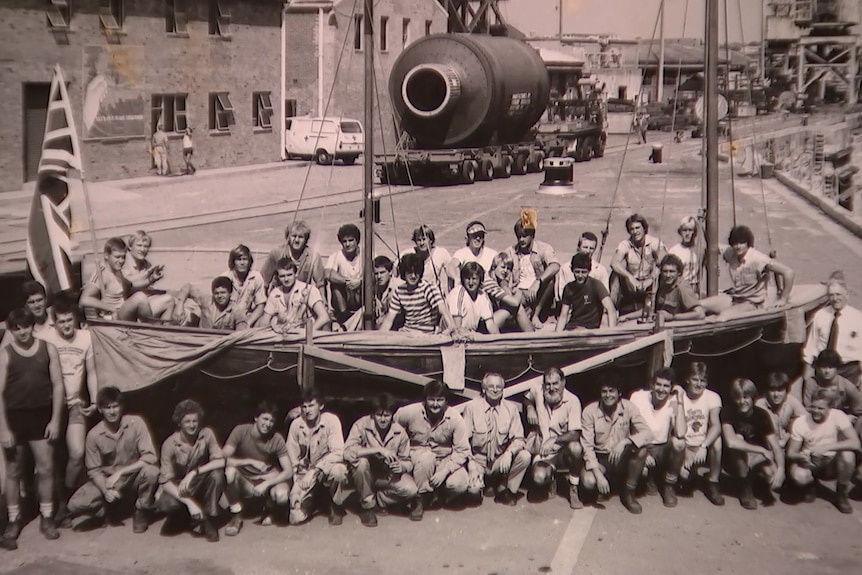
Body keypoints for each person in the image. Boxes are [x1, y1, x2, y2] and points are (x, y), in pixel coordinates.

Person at [0, 308, 64, 544]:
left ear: (32, 326)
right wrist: (4, 428)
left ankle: (47, 516)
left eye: (25, 327)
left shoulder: (48, 349)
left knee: (46, 467)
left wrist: (55, 419)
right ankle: (14, 519)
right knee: (13, 471)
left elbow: (58, 386)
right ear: (11, 331)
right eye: (16, 329)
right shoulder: (5, 353)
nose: (22, 332)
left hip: (41, 415)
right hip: (14, 416)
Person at [66, 386, 159, 534]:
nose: (112, 411)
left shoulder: (136, 423)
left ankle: (141, 510)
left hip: (134, 476)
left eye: (115, 406)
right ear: (100, 410)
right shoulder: (94, 435)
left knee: (152, 472)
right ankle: (106, 510)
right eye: (107, 407)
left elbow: (150, 457)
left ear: (121, 406)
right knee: (75, 504)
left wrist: (121, 472)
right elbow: (94, 470)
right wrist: (105, 489)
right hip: (110, 481)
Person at [38, 300, 99, 524]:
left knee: (76, 453)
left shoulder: (85, 337)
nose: (66, 325)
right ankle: (57, 506)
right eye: (61, 321)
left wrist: (94, 399)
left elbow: (91, 372)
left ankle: (66, 495)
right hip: (50, 406)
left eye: (69, 320)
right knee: (50, 458)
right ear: (54, 323)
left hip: (75, 404)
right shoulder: (46, 337)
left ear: (75, 319)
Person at [394, 381, 470, 519]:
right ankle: (420, 499)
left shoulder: (455, 419)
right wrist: (400, 454)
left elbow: (462, 451)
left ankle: (439, 495)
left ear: (446, 401)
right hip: (418, 457)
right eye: (431, 400)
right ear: (425, 400)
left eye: (440, 400)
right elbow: (392, 430)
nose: (435, 404)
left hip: (445, 459)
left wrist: (445, 471)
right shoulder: (409, 412)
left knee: (459, 484)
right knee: (426, 458)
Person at [580, 376, 653, 514]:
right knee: (589, 481)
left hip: (621, 457)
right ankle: (606, 485)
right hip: (600, 458)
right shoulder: (590, 411)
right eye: (604, 391)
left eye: (611, 391)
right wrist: (598, 475)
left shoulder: (629, 407)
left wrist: (626, 441)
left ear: (619, 393)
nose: (608, 395)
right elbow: (587, 446)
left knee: (642, 451)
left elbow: (648, 433)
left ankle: (629, 493)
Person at [343, 393, 419, 526]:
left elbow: (407, 461)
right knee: (361, 463)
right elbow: (347, 452)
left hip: (386, 476)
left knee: (411, 489)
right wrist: (377, 450)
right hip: (365, 474)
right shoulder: (361, 425)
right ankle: (367, 507)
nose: (383, 419)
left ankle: (377, 499)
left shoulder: (399, 432)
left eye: (387, 415)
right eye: (379, 415)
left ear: (392, 416)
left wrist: (401, 466)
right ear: (373, 415)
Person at [156, 400, 224, 542]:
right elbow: (165, 482)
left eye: (195, 421)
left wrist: (194, 472)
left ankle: (208, 518)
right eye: (187, 421)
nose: (192, 425)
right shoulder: (169, 444)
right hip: (179, 487)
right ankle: (186, 516)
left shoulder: (206, 434)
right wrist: (189, 503)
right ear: (179, 423)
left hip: (198, 481)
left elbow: (220, 461)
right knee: (166, 504)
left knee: (217, 474)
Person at [222, 401, 293, 535]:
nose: (268, 424)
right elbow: (222, 458)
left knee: (282, 496)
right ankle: (236, 515)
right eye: (265, 419)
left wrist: (267, 483)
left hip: (268, 478)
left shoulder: (276, 438)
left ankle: (269, 508)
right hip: (246, 480)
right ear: (256, 418)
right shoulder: (241, 431)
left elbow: (288, 470)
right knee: (229, 472)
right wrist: (249, 461)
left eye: (272, 421)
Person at [461, 373, 531, 506]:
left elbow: (520, 439)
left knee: (525, 456)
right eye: (491, 386)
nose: (494, 390)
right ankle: (483, 485)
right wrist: (471, 465)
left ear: (503, 389)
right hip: (478, 460)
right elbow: (463, 441)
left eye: (498, 387)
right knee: (473, 492)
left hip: (500, 459)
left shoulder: (511, 409)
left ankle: (507, 490)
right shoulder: (471, 407)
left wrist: (509, 453)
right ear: (484, 389)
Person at [787, 389, 860, 514]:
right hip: (811, 461)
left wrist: (827, 447)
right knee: (799, 476)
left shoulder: (838, 416)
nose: (816, 411)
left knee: (848, 455)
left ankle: (841, 494)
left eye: (821, 408)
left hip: (832, 461)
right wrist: (801, 457)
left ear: (830, 408)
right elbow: (791, 453)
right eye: (813, 407)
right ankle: (811, 485)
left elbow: (855, 443)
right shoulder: (801, 422)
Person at [700, 225, 795, 320]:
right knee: (699, 305)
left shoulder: (757, 259)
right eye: (735, 243)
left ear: (748, 243)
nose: (738, 246)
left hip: (752, 303)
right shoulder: (731, 253)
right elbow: (713, 244)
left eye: (742, 243)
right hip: (734, 298)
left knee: (723, 317)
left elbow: (789, 272)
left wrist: (783, 299)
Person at [285, 390, 349, 526]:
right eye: (304, 406)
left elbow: (338, 452)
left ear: (321, 406)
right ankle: (315, 500)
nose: (307, 410)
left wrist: (314, 470)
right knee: (295, 518)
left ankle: (335, 505)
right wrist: (297, 486)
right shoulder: (296, 425)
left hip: (325, 469)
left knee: (339, 471)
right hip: (304, 474)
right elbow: (293, 458)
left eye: (311, 405)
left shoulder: (331, 421)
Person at [523, 367, 584, 508]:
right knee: (538, 477)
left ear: (563, 382)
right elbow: (526, 398)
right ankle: (551, 478)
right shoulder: (538, 391)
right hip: (543, 451)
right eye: (548, 384)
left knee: (576, 448)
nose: (551, 388)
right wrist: (530, 408)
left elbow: (575, 433)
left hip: (562, 452)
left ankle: (573, 488)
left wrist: (554, 440)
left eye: (555, 383)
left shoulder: (573, 400)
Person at [720, 378, 785, 509]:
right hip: (734, 458)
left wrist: (781, 469)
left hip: (755, 457)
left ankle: (756, 481)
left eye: (746, 397)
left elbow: (775, 446)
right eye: (738, 397)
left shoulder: (761, 414)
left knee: (771, 474)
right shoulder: (728, 411)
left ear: (753, 397)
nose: (742, 401)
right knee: (738, 439)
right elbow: (731, 442)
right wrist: (761, 450)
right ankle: (746, 487)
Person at [629, 368, 686, 507]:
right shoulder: (638, 397)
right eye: (658, 384)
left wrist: (680, 400)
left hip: (661, 448)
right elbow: (629, 428)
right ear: (652, 385)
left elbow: (681, 432)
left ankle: (668, 485)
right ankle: (647, 480)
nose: (661, 389)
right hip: (640, 445)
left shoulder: (673, 401)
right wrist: (644, 452)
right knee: (642, 472)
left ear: (671, 388)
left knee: (679, 443)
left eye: (666, 386)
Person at [79, 237, 172, 322]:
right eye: (117, 257)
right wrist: (109, 308)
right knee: (140, 297)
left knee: (169, 300)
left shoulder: (117, 270)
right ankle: (150, 329)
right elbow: (84, 299)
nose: (121, 261)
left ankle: (163, 333)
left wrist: (151, 279)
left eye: (123, 257)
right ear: (107, 255)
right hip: (117, 315)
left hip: (129, 311)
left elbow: (130, 286)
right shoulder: (101, 274)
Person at [801, 272, 862, 388]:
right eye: (831, 295)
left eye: (838, 294)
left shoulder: (858, 318)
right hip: (823, 370)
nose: (835, 299)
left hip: (848, 371)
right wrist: (807, 371)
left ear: (847, 294)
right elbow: (812, 345)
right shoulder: (820, 315)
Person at [678, 362, 725, 506]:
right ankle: (689, 475)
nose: (699, 384)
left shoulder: (712, 396)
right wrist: (686, 453)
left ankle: (713, 481)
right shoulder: (680, 397)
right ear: (687, 379)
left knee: (717, 441)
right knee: (684, 478)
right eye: (695, 379)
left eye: (702, 380)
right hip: (685, 445)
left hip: (703, 444)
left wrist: (704, 446)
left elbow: (716, 426)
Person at [379, 253, 455, 334]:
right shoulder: (399, 290)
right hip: (406, 333)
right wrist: (379, 337)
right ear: (404, 272)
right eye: (410, 272)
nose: (413, 276)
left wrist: (450, 327)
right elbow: (389, 320)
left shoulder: (428, 288)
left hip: (426, 334)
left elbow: (443, 309)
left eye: (416, 272)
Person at [504, 217, 560, 327]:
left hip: (538, 291)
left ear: (532, 235)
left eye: (524, 236)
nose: (521, 240)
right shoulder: (511, 251)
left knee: (550, 280)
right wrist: (508, 289)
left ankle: (536, 315)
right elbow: (499, 269)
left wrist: (538, 282)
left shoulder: (543, 248)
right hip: (519, 292)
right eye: (519, 236)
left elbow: (555, 265)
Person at [610, 213, 666, 316]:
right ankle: (612, 310)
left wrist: (651, 279)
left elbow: (664, 263)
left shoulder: (654, 243)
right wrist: (630, 278)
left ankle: (658, 310)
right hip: (632, 284)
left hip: (651, 282)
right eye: (632, 229)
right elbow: (614, 263)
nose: (635, 232)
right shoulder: (626, 244)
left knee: (664, 274)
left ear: (644, 228)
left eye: (637, 228)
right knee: (615, 275)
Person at [803, 350, 862, 437]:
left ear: (837, 368)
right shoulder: (812, 383)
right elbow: (808, 409)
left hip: (841, 428)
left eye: (831, 367)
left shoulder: (847, 386)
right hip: (817, 424)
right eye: (823, 367)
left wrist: (849, 422)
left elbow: (860, 409)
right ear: (818, 368)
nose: (827, 371)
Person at [262, 258, 331, 333]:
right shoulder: (275, 293)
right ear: (277, 277)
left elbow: (324, 317)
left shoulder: (309, 289)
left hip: (306, 334)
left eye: (289, 275)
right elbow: (264, 321)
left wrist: (307, 333)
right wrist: (273, 327)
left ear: (296, 274)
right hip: (283, 334)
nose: (286, 279)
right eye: (282, 276)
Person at [556, 253, 617, 331]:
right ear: (572, 270)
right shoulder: (569, 288)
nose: (580, 275)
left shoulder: (596, 285)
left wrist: (611, 333)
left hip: (591, 329)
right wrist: (557, 334)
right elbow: (563, 315)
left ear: (589, 271)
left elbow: (611, 310)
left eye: (583, 272)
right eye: (577, 272)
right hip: (573, 328)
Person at [260, 220, 325, 291]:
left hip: (301, 295)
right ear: (288, 237)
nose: (296, 240)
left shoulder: (313, 256)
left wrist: (323, 300)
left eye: (301, 237)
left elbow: (320, 283)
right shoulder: (276, 253)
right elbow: (264, 281)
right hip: (279, 294)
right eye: (294, 236)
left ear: (306, 239)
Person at [554, 232, 611, 306]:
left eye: (591, 248)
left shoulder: (600, 270)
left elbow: (605, 295)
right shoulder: (565, 268)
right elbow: (562, 293)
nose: (588, 251)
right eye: (585, 247)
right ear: (578, 248)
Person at [482, 252, 534, 333]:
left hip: (488, 320)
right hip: (484, 324)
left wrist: (504, 282)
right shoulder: (488, 282)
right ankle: (532, 336)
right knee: (517, 308)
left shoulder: (495, 280)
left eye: (508, 268)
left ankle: (529, 332)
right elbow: (515, 303)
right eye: (502, 267)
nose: (505, 271)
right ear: (493, 267)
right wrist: (519, 291)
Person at [755, 372, 807, 450]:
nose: (776, 394)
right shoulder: (760, 404)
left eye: (780, 390)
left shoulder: (790, 400)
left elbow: (805, 419)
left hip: (787, 445)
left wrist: (787, 436)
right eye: (772, 390)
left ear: (786, 391)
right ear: (767, 391)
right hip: (767, 447)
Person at [325, 224, 363, 327]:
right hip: (344, 297)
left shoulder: (366, 254)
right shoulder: (336, 255)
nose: (347, 244)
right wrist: (347, 281)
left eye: (351, 240)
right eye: (344, 241)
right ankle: (344, 316)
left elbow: (375, 272)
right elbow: (328, 273)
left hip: (360, 294)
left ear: (357, 241)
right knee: (335, 285)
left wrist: (360, 282)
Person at [174, 277, 247, 330]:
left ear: (230, 294)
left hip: (222, 345)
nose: (220, 296)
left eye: (223, 293)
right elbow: (188, 287)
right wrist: (180, 304)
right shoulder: (206, 301)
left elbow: (240, 333)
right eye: (216, 293)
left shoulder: (236, 311)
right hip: (201, 340)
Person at [446, 262, 499, 335]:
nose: (471, 283)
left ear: (480, 279)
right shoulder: (457, 294)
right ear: (463, 279)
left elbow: (491, 324)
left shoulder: (483, 295)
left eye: (474, 279)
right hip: (451, 336)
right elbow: (457, 328)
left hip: (470, 335)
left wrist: (497, 337)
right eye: (468, 279)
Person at [221, 244, 267, 328]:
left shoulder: (256, 277)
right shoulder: (224, 278)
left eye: (245, 259)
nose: (242, 263)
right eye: (239, 259)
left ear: (249, 261)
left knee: (263, 322)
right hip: (227, 318)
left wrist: (248, 323)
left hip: (246, 318)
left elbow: (260, 305)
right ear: (233, 261)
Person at [400, 225, 452, 296]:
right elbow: (395, 273)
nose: (422, 243)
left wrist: (451, 293)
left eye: (424, 239)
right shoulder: (408, 253)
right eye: (419, 240)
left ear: (430, 240)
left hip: (434, 294)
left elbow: (451, 274)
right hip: (415, 295)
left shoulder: (441, 253)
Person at [653, 254, 705, 323]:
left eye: (672, 271)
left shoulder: (682, 287)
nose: (668, 275)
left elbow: (700, 314)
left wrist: (672, 317)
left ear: (679, 273)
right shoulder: (660, 283)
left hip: (678, 327)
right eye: (665, 271)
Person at [1, 281, 54, 348]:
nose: (36, 305)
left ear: (46, 299)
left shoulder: (57, 318)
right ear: (25, 305)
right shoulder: (17, 326)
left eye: (39, 300)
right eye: (31, 302)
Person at [121, 230, 166, 295]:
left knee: (166, 296)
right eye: (139, 245)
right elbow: (129, 285)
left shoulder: (147, 264)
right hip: (126, 299)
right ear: (130, 247)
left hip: (140, 297)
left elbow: (146, 288)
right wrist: (149, 275)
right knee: (167, 299)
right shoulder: (123, 262)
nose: (142, 249)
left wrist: (153, 277)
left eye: (146, 246)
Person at [668, 215, 704, 295]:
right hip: (679, 289)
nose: (687, 234)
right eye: (684, 230)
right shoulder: (674, 251)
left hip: (695, 290)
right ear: (680, 232)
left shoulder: (699, 250)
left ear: (694, 232)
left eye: (690, 230)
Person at [372, 256, 402, 329]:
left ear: (391, 272)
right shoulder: (375, 286)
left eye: (382, 272)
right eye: (376, 273)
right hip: (380, 321)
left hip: (395, 323)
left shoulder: (398, 286)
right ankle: (343, 329)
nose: (379, 277)